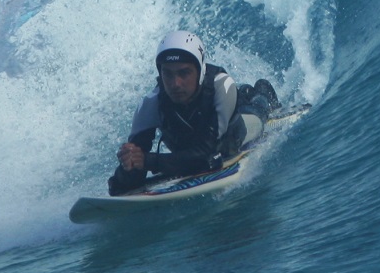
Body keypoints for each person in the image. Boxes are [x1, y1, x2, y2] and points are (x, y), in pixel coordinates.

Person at [108, 29, 279, 194]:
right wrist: (128, 165)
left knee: (258, 110)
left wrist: (148, 160)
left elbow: (208, 155)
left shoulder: (222, 85)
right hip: (191, 153)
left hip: (237, 132)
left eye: (184, 73)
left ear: (200, 71)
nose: (176, 84)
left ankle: (261, 90)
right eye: (168, 74)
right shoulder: (150, 104)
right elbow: (123, 183)